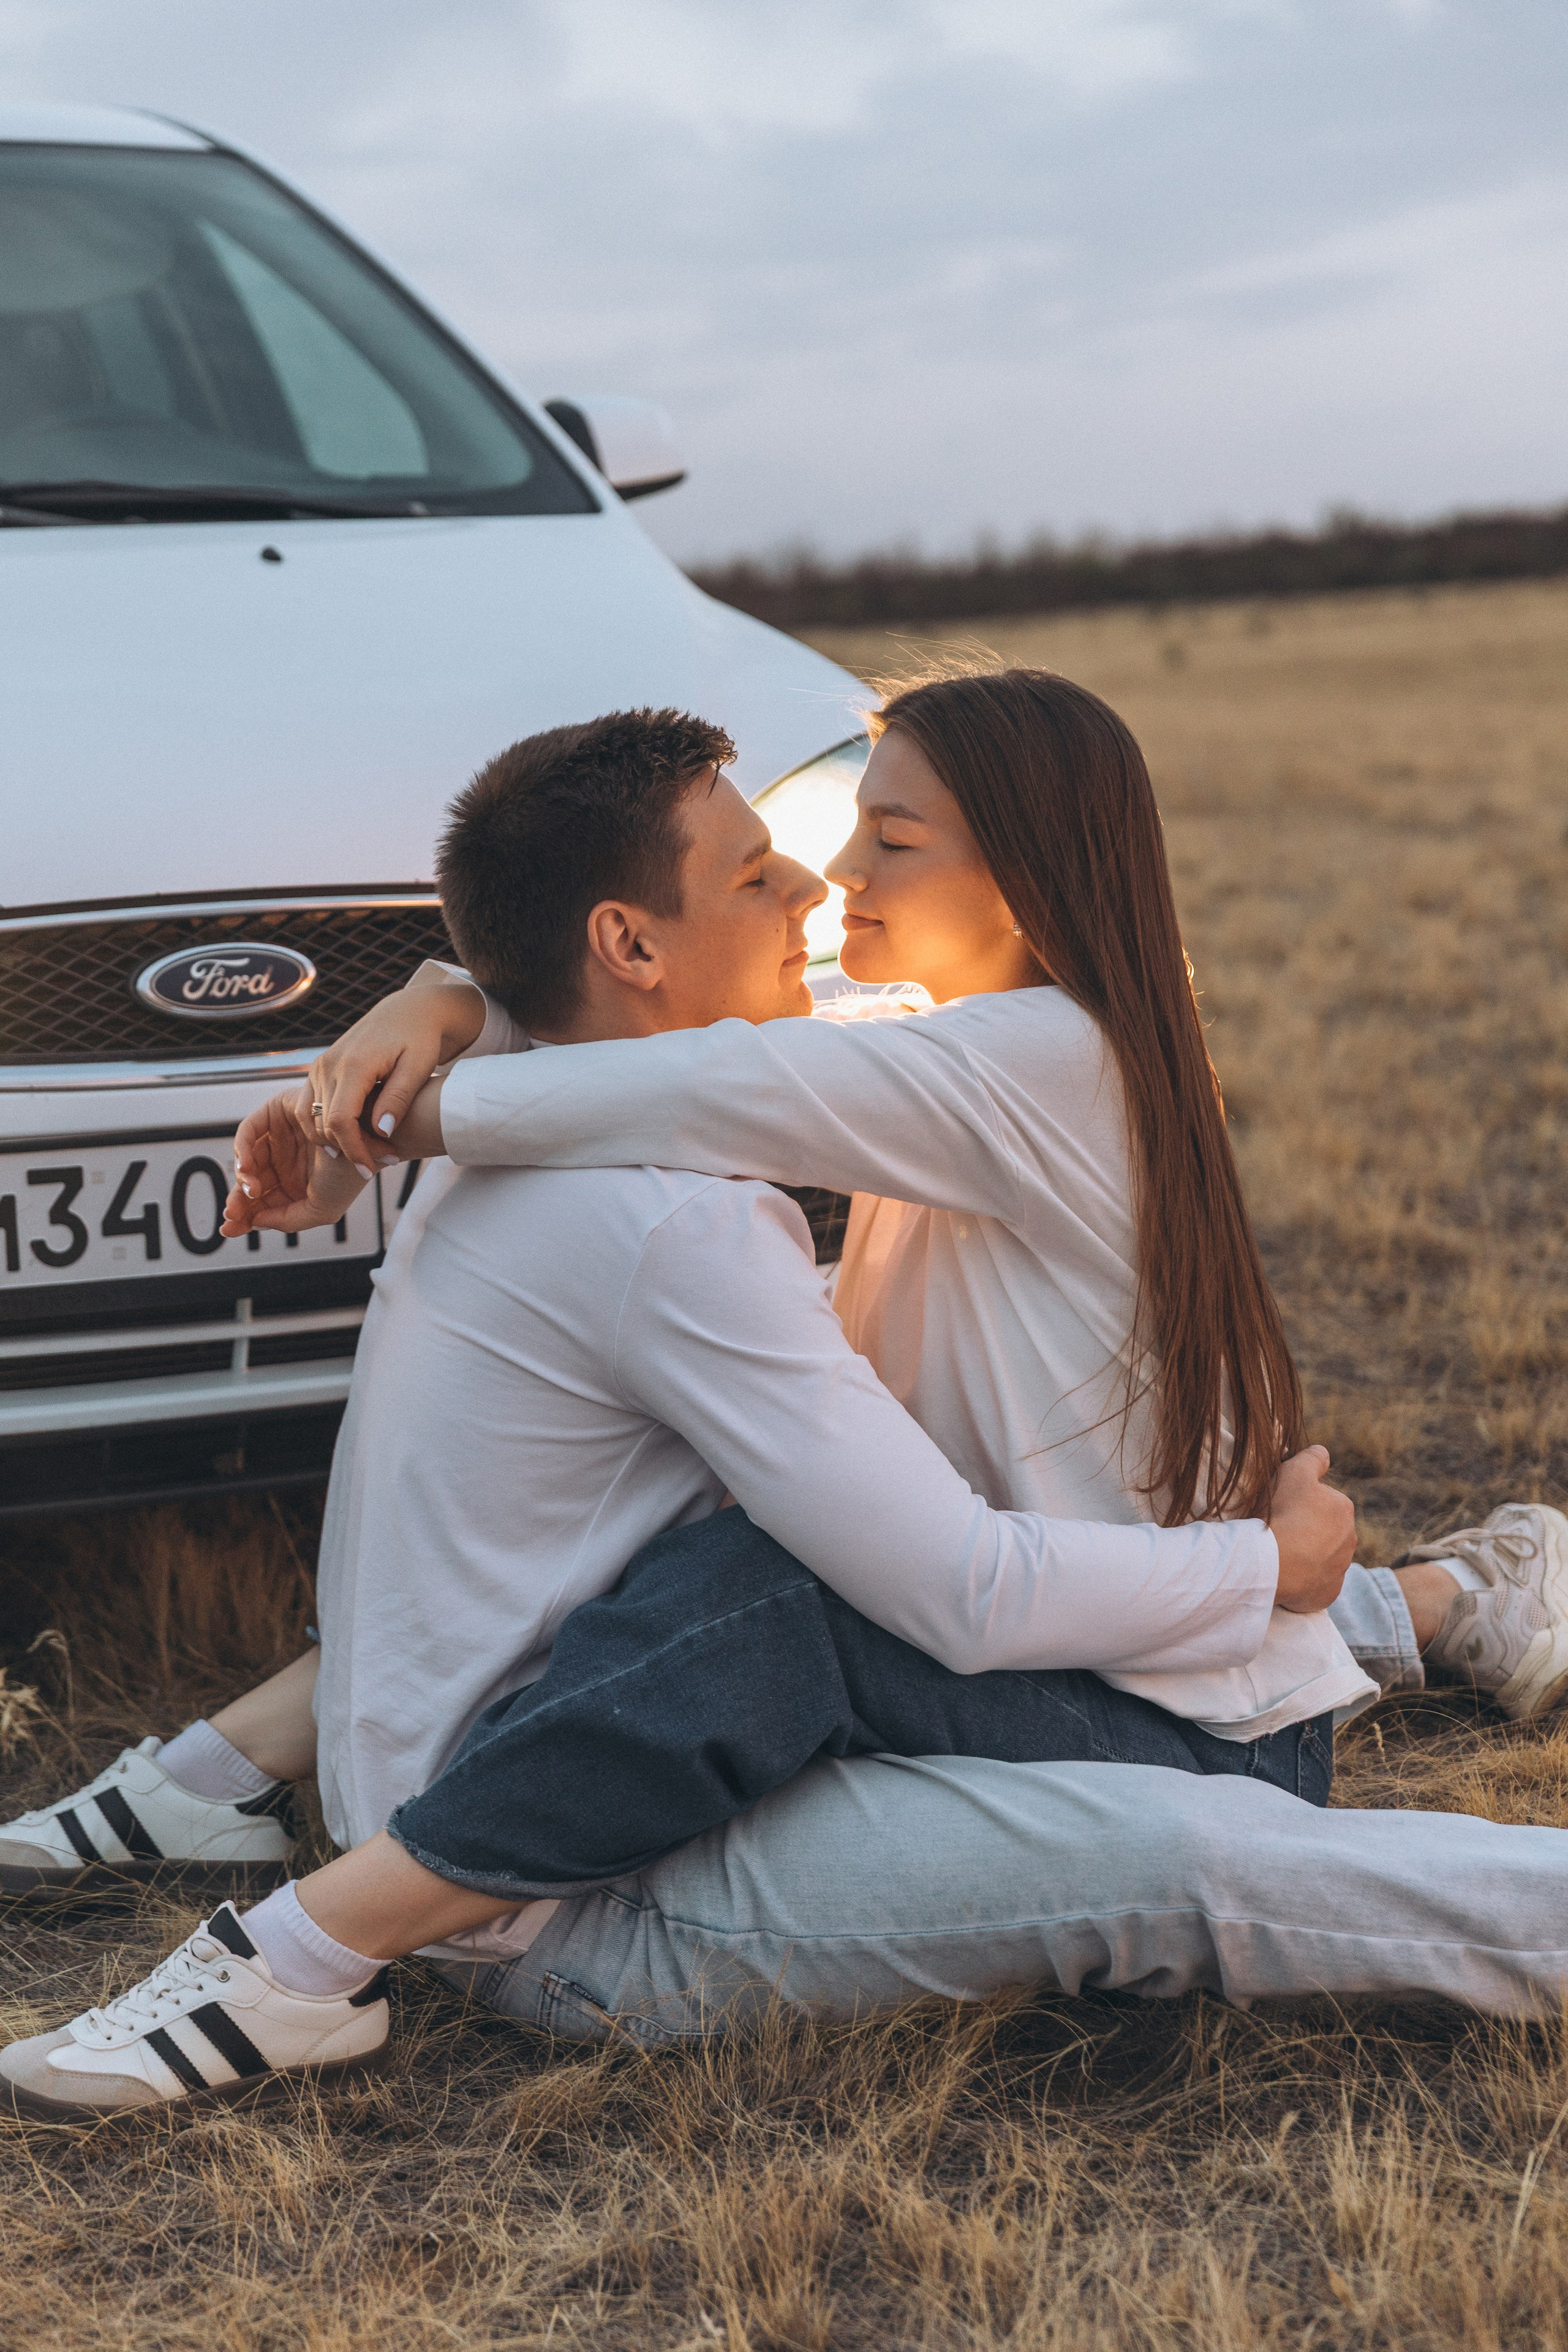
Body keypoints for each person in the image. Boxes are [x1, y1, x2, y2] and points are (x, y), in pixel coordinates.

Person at [0, 703, 1352, 2118]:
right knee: (729, 1537)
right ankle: (215, 1791)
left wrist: (396, 1112)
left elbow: (701, 1072)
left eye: (886, 839)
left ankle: (309, 1942)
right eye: (820, 843)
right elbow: (694, 1047)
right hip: (1082, 1642)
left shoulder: (1023, 1059)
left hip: (1155, 1707)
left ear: (1028, 877)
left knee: (769, 1580)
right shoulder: (949, 1043)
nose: (834, 882)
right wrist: (450, 999)